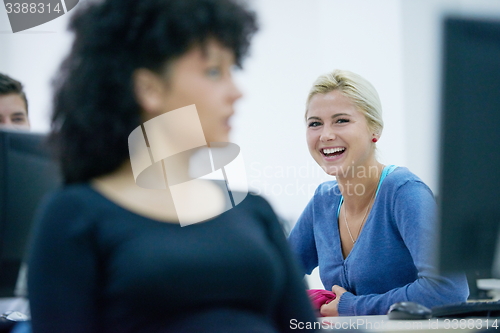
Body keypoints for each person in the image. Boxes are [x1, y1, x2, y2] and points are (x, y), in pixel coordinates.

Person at [27, 0, 317, 332]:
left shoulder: (254, 211)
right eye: (213, 72)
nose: (236, 92)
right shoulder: (75, 215)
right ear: (149, 89)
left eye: (231, 70)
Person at [288, 69, 469, 317]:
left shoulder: (404, 192)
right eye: (315, 124)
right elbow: (277, 276)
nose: (326, 135)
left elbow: (448, 290)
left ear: (375, 130)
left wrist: (349, 306)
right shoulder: (324, 200)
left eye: (341, 120)